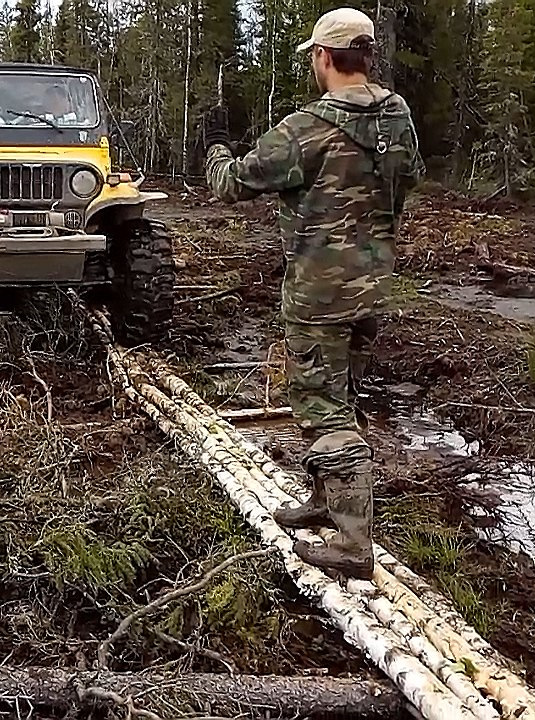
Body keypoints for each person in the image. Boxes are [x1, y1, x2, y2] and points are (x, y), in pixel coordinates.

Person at [201, 6, 425, 579]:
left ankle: (353, 545)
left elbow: (232, 186)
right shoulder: (398, 116)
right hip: (373, 284)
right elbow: (411, 176)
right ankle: (327, 502)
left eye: (315, 58)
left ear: (324, 58)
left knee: (324, 408)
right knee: (340, 394)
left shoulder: (306, 128)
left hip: (318, 293)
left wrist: (216, 146)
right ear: (367, 55)